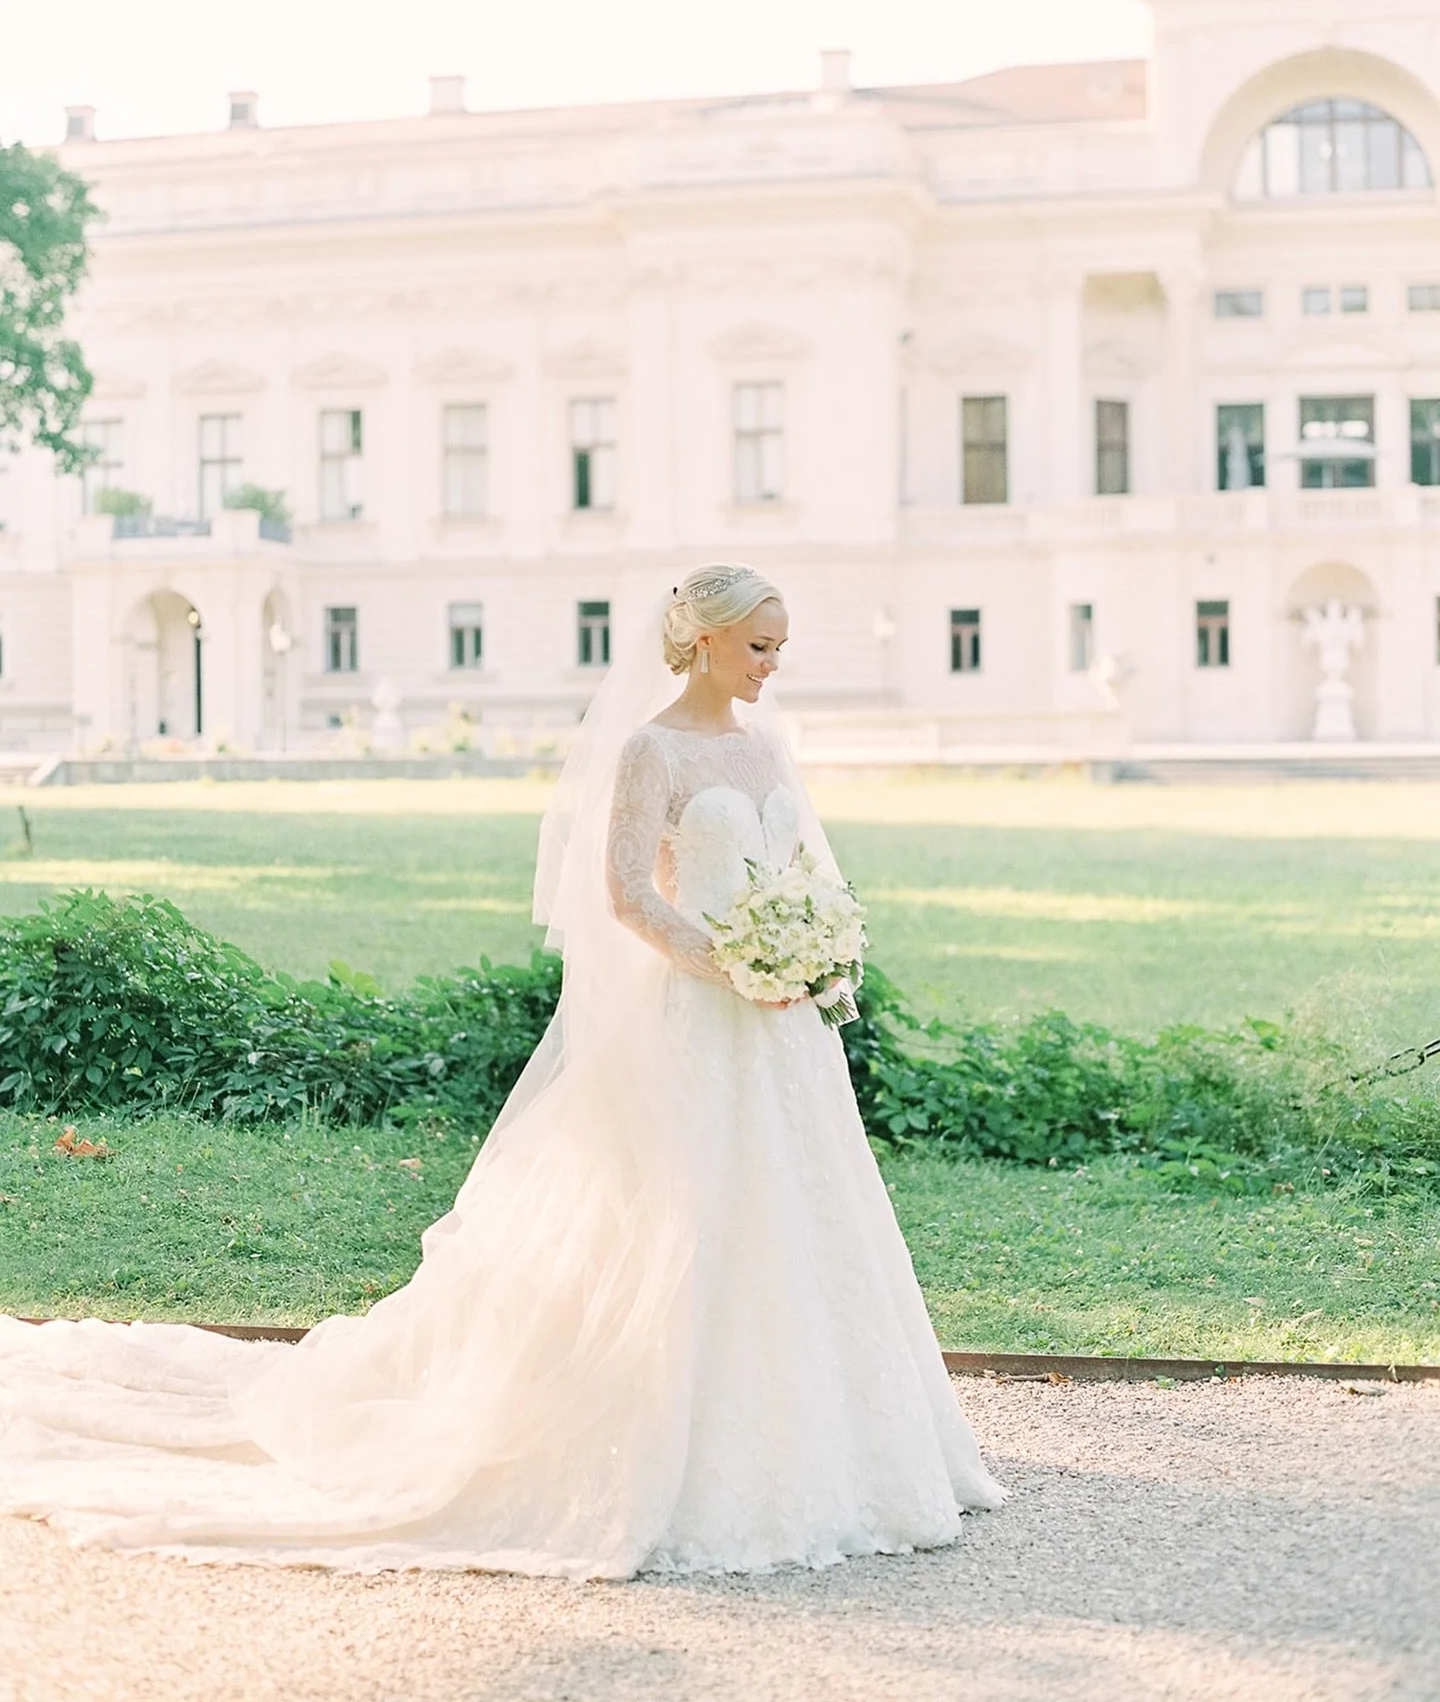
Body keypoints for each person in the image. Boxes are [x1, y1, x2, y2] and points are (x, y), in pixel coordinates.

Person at [0, 564, 1003, 1576]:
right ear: (703, 641)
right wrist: (736, 964)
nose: (772, 665)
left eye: (780, 648)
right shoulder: (651, 751)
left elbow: (803, 874)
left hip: (781, 1034)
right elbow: (629, 897)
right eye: (758, 646)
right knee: (692, 1216)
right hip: (702, 1015)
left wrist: (816, 950)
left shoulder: (766, 746)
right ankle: (681, 1441)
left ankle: (830, 1438)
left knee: (800, 1210)